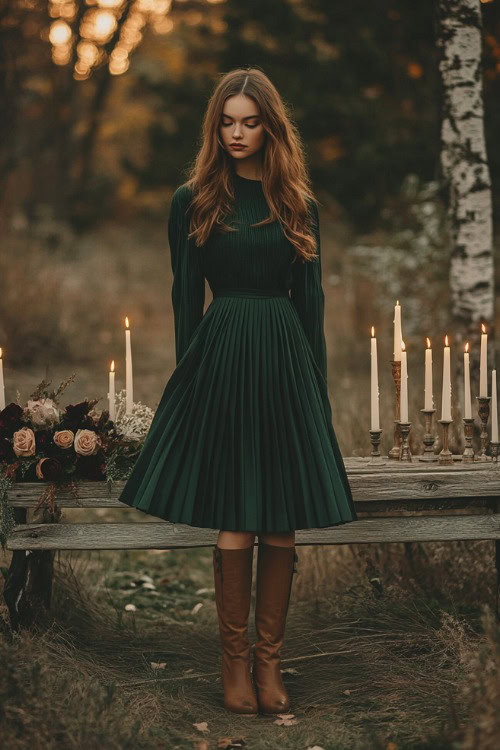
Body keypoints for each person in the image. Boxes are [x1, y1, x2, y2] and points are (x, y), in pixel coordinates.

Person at [118, 67, 358, 717]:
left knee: (279, 523)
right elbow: (182, 297)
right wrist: (187, 380)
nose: (237, 133)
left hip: (284, 357)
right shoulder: (191, 198)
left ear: (271, 125)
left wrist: (319, 394)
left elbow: (312, 301)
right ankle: (231, 664)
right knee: (235, 517)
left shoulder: (297, 203)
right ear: (214, 126)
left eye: (250, 121)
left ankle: (269, 662)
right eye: (227, 122)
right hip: (221, 354)